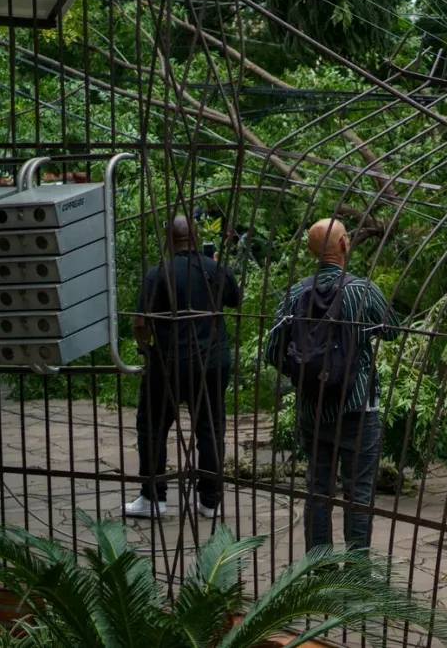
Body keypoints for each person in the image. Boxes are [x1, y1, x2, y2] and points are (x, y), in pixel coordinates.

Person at [267, 219, 398, 551]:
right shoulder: (362, 290)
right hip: (357, 406)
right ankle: (355, 577)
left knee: (318, 490)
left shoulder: (296, 293)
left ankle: (319, 570)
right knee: (359, 492)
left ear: (312, 252)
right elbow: (393, 330)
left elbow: (272, 350)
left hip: (313, 408)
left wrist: (304, 374)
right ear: (343, 244)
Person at [125, 215, 242, 518]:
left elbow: (140, 323)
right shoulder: (215, 270)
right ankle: (209, 502)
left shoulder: (157, 274)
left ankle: (153, 498)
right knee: (211, 429)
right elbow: (235, 299)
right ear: (196, 235)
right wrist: (217, 265)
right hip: (213, 363)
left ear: (167, 240)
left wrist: (143, 347)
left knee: (152, 427)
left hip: (169, 363)